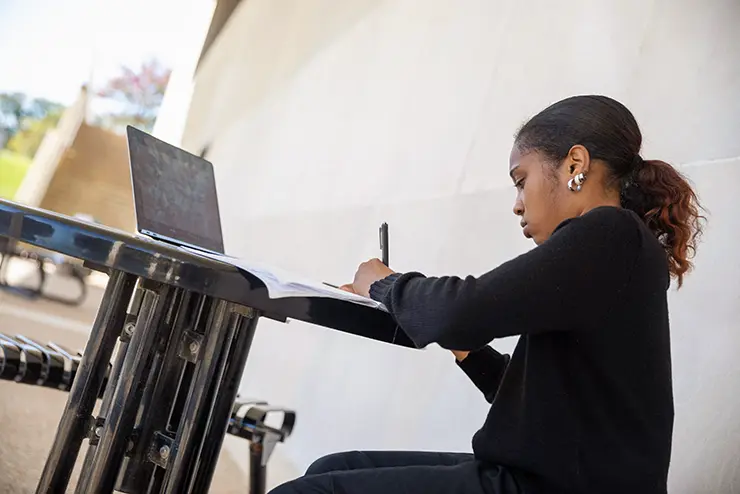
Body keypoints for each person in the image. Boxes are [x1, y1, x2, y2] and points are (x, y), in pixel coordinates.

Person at [269, 95, 704, 494]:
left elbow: (462, 309)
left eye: (521, 180)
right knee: (330, 468)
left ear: (575, 164)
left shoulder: (610, 232)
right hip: (549, 477)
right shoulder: (613, 247)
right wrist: (466, 349)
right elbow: (534, 401)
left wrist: (382, 283)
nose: (517, 203)